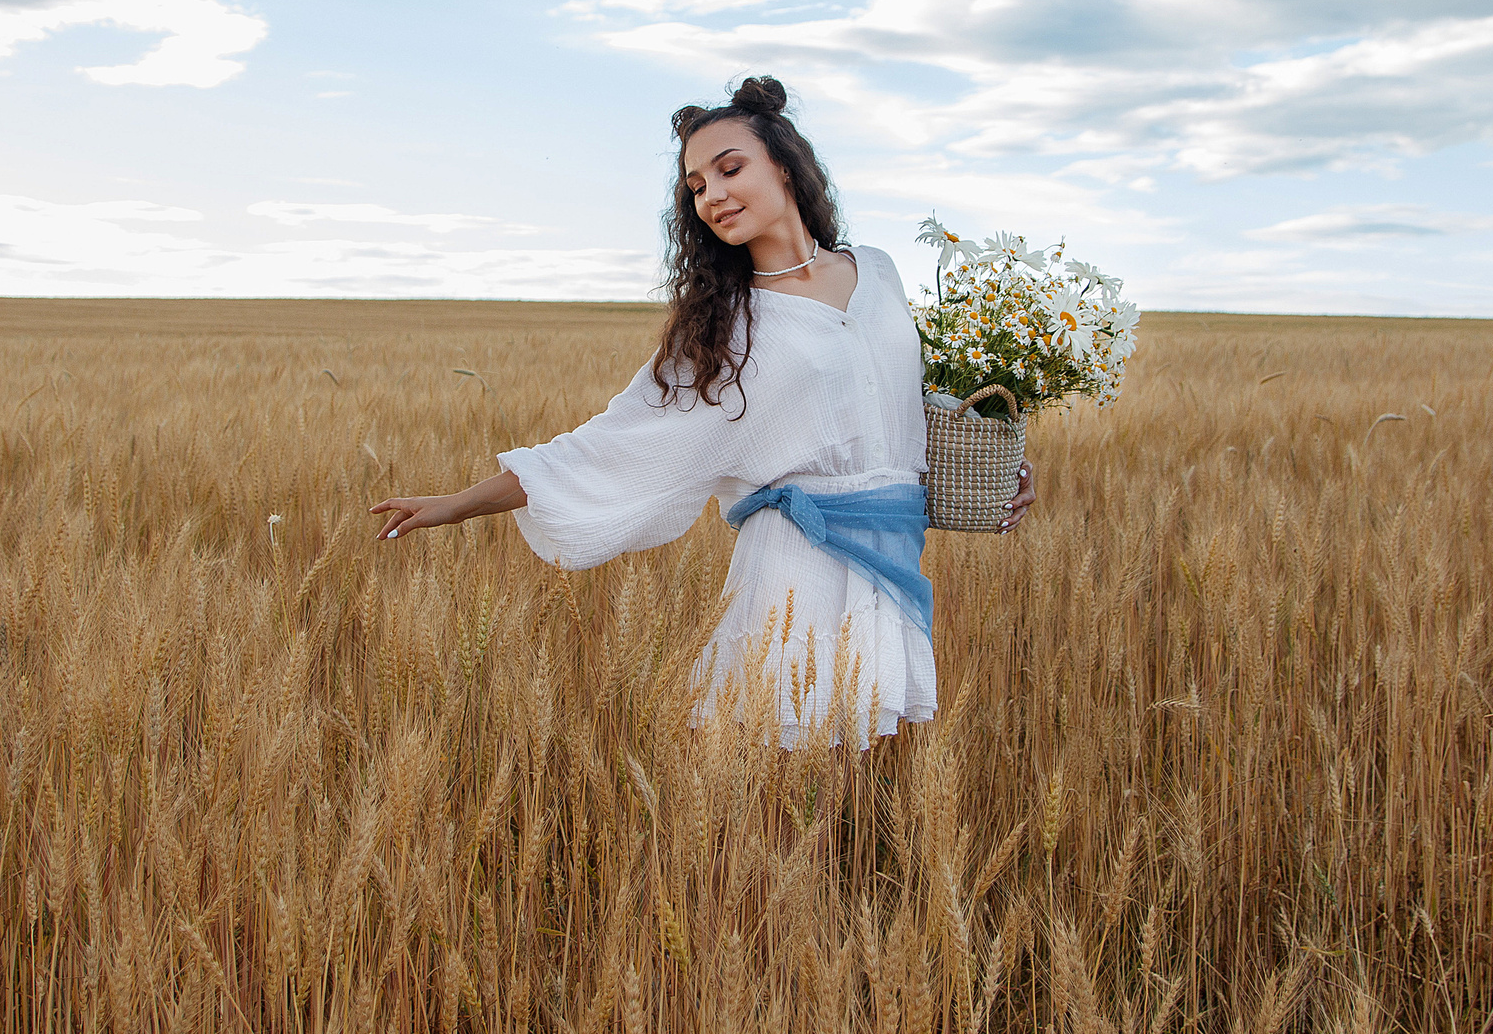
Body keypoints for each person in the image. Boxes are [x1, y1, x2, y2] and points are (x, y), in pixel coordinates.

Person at [368, 75, 1037, 748]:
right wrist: (454, 503)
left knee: (849, 816)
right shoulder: (726, 330)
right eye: (696, 186)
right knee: (781, 806)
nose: (712, 194)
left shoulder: (878, 271)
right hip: (796, 572)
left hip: (893, 562)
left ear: (783, 163)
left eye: (729, 168)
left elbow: (894, 401)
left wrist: (995, 462)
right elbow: (612, 446)